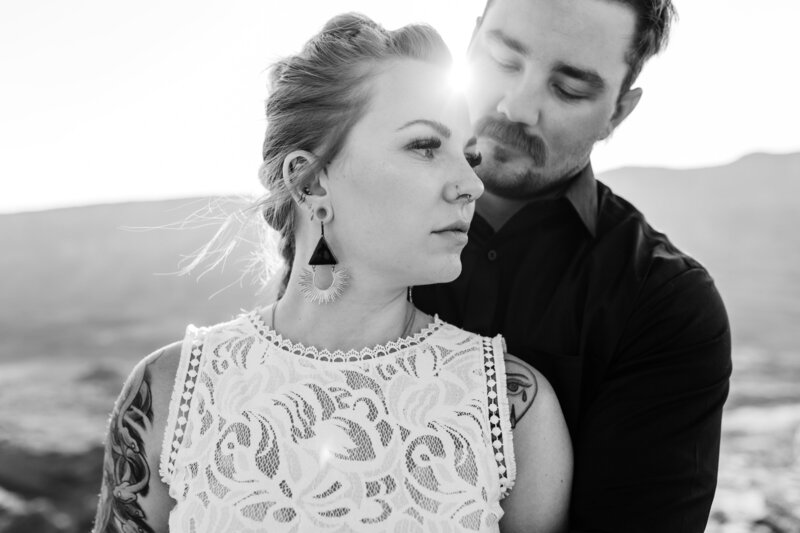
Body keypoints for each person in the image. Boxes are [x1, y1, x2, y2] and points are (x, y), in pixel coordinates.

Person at [92, 13, 572, 533]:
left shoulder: (511, 408)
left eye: (469, 155)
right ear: (311, 183)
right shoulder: (169, 393)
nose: (471, 184)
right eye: (425, 146)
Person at [414, 0, 732, 531]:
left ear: (618, 112)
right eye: (502, 60)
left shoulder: (667, 302)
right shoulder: (352, 225)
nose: (517, 106)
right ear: (469, 47)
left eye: (569, 89)